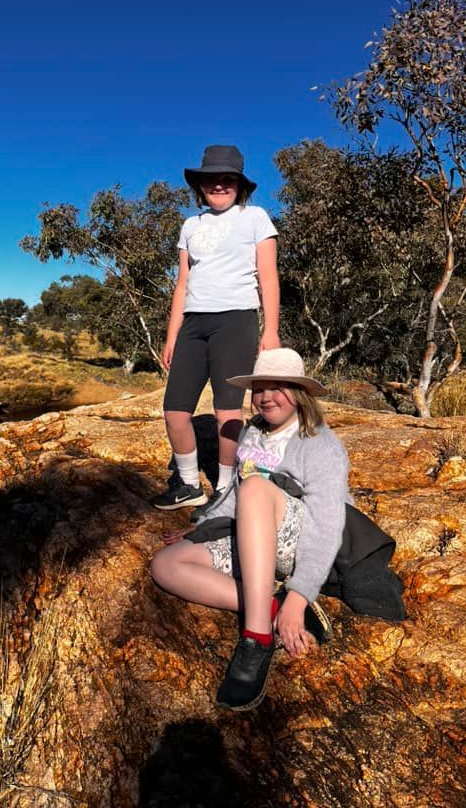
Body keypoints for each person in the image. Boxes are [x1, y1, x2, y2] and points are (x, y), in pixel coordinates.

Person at [150, 348, 352, 711]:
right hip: (258, 539)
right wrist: (203, 526)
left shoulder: (321, 445)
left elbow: (326, 527)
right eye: (259, 389)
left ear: (300, 394)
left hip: (303, 544)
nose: (266, 397)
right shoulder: (253, 433)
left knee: (259, 486)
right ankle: (269, 607)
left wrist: (300, 595)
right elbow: (235, 493)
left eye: (279, 387)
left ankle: (257, 636)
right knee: (167, 565)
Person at [150, 144, 280, 515]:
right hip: (193, 323)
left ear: (240, 185)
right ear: (200, 185)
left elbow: (268, 279)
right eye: (212, 180)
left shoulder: (255, 218)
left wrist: (270, 331)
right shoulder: (191, 225)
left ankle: (225, 489)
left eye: (228, 180)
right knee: (174, 411)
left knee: (227, 414)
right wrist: (172, 334)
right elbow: (182, 283)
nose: (219, 186)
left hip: (235, 320)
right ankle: (189, 485)